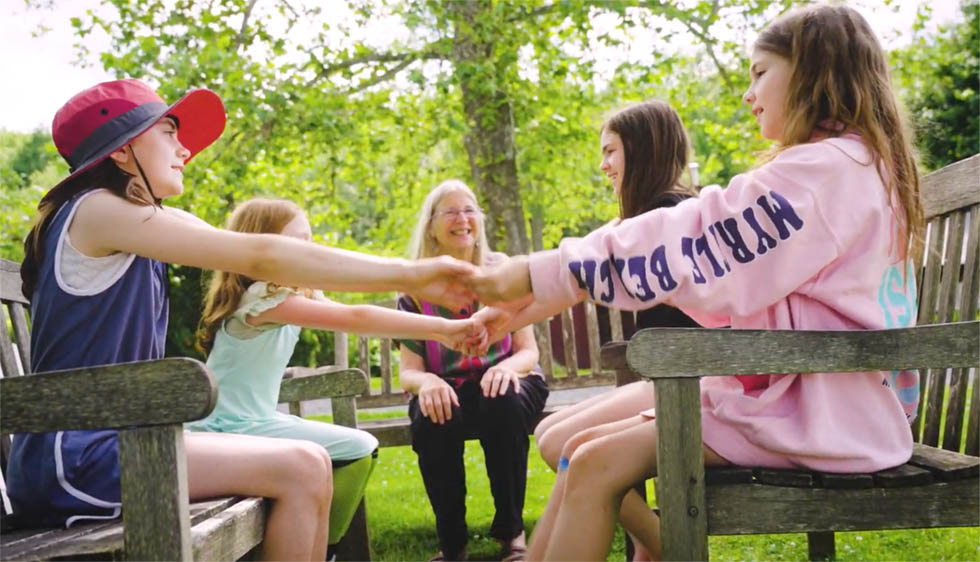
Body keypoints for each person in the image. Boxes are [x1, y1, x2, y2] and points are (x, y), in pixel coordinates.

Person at [470, 4, 923, 559]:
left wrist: (537, 272)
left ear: (811, 73)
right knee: (581, 450)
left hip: (825, 416)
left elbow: (697, 235)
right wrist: (533, 292)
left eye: (760, 72)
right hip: (816, 401)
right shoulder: (849, 166)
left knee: (590, 460)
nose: (747, 92)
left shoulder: (823, 172)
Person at [6, 79, 477, 561]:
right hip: (77, 460)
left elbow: (261, 258)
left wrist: (423, 286)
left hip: (119, 444)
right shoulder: (95, 211)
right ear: (124, 151)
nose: (183, 148)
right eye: (169, 132)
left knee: (311, 464)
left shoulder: (139, 219)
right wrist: (415, 274)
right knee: (302, 467)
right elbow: (263, 254)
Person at [189, 197, 486, 556]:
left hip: (253, 422)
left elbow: (355, 314)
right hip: (229, 427)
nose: (309, 252)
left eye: (310, 241)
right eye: (297, 243)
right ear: (262, 247)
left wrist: (442, 329)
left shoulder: (286, 293)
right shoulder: (261, 299)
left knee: (351, 451)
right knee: (357, 448)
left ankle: (319, 546)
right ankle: (325, 548)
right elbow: (356, 317)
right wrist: (443, 328)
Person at [529, 99, 699, 562]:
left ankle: (670, 547)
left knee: (561, 444)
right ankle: (655, 542)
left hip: (691, 379)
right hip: (668, 375)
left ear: (641, 151)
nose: (604, 165)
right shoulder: (648, 216)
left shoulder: (669, 215)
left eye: (611, 152)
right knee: (551, 436)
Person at [397, 180, 549, 562]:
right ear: (431, 226)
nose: (462, 219)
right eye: (450, 211)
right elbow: (409, 372)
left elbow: (528, 352)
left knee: (502, 399)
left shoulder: (506, 273)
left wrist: (509, 370)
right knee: (433, 413)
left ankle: (511, 533)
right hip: (448, 386)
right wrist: (428, 381)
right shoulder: (414, 290)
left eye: (469, 210)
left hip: (508, 381)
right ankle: (452, 544)